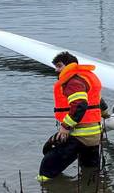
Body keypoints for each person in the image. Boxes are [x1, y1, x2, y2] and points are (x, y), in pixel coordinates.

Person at [37, 52, 105, 182]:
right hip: (94, 135)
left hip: (79, 134)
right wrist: (106, 114)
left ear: (69, 65)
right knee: (90, 170)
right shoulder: (87, 77)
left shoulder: (73, 80)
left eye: (59, 66)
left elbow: (80, 105)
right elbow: (98, 101)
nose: (56, 70)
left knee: (47, 166)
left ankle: (45, 191)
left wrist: (65, 127)